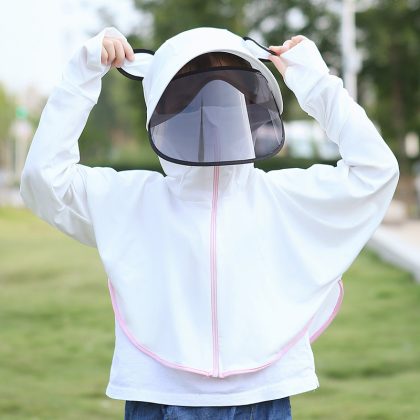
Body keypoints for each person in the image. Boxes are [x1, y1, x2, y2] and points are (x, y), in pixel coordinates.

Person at [20, 26, 399, 420]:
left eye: (228, 92)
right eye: (192, 93)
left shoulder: (280, 197)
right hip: (159, 398)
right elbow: (43, 180)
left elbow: (376, 171)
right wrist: (82, 75)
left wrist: (317, 83)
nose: (212, 109)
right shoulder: (133, 199)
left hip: (261, 397)